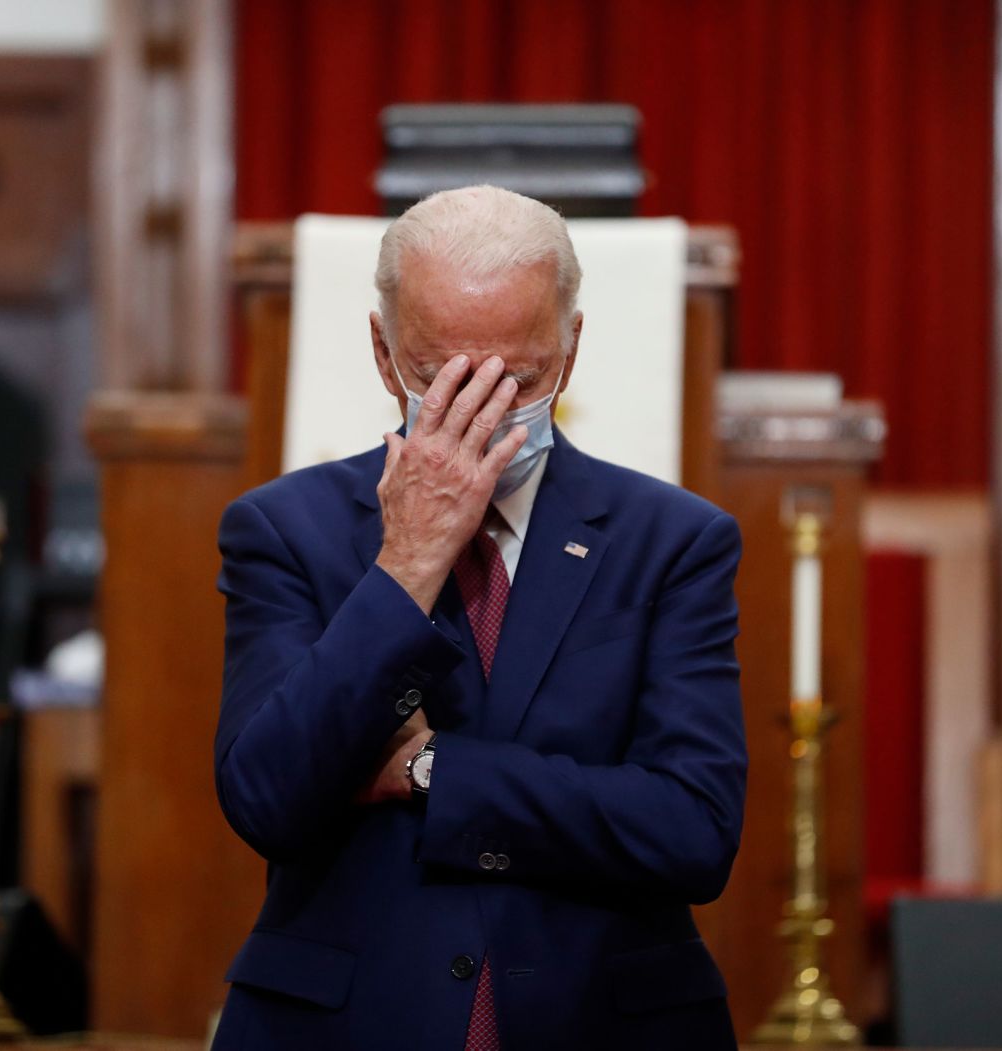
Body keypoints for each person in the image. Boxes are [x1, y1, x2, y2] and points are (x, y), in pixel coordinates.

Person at [211, 185, 746, 1050]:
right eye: (442, 376)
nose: (483, 411)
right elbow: (266, 797)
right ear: (384, 355)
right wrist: (409, 562)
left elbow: (694, 830)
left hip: (599, 1019)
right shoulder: (285, 529)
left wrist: (433, 772)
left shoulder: (673, 540)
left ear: (570, 351)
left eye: (519, 378)